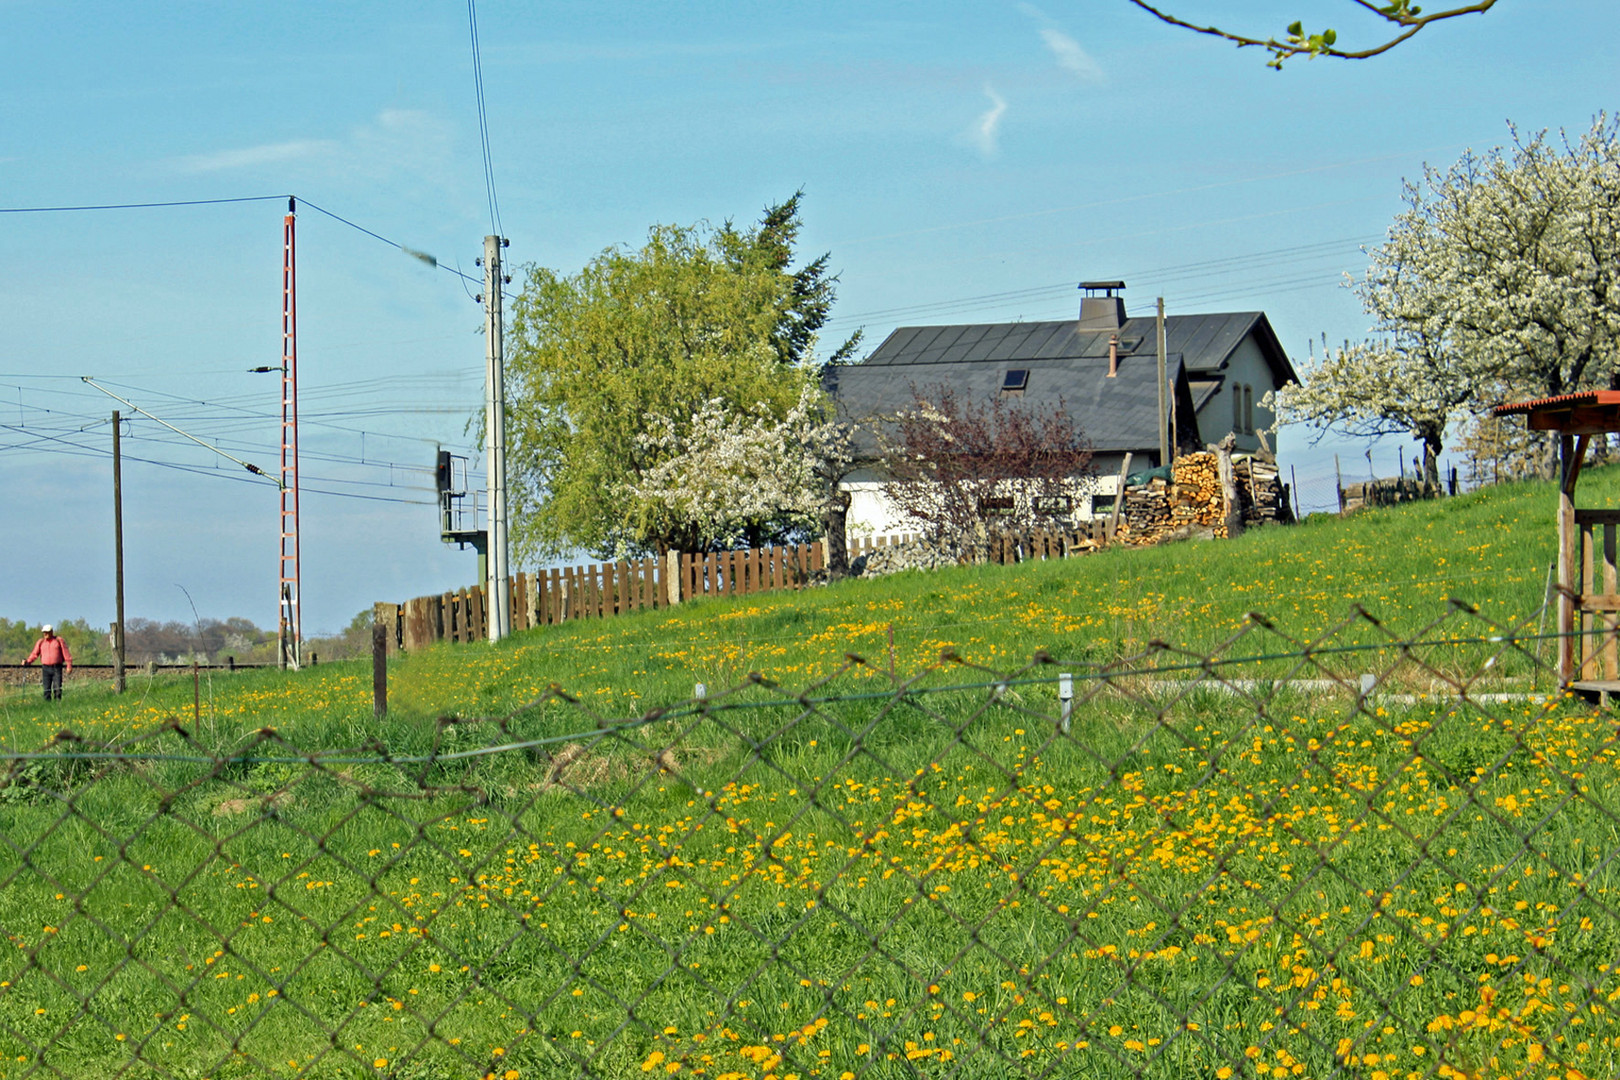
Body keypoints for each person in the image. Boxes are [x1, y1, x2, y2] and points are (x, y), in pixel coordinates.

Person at [23, 624, 73, 701]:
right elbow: (34, 654)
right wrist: (28, 662)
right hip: (46, 668)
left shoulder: (58, 640)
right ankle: (47, 705)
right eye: (44, 632)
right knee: (46, 689)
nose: (45, 634)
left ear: (51, 632)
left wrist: (69, 665)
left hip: (57, 667)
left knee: (57, 688)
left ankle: (57, 704)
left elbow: (66, 653)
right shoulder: (41, 642)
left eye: (47, 632)